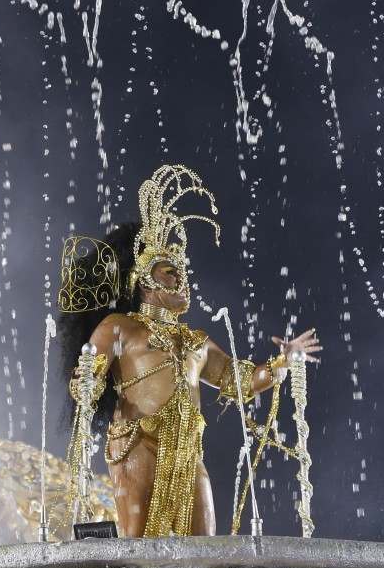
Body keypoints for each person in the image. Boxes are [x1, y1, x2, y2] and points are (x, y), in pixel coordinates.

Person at [58, 165, 320, 537]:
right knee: (139, 545)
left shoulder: (197, 341)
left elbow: (240, 380)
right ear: (146, 281)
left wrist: (283, 361)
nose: (183, 279)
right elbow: (88, 374)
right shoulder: (120, 325)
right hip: (138, 440)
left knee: (204, 548)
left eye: (184, 272)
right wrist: (86, 381)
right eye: (170, 272)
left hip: (187, 450)